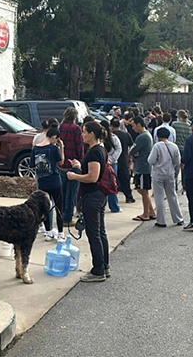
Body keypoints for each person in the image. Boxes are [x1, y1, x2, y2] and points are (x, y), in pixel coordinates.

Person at [67, 121, 109, 282]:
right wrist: (80, 166)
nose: (82, 135)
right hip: (99, 195)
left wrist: (74, 176)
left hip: (93, 196)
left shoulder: (94, 152)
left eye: (84, 132)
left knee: (94, 234)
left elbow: (93, 177)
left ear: (92, 134)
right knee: (101, 232)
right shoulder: (99, 150)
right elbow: (91, 171)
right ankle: (104, 266)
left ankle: (98, 269)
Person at [31, 127, 65, 242]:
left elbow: (31, 165)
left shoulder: (35, 149)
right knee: (59, 207)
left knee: (45, 208)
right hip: (54, 181)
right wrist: (62, 148)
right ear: (54, 137)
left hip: (42, 182)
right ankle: (61, 233)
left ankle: (48, 232)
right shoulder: (54, 148)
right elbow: (61, 163)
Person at [148, 127, 184, 227]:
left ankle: (161, 220)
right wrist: (176, 173)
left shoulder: (157, 146)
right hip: (170, 173)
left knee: (159, 197)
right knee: (172, 196)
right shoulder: (174, 146)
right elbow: (177, 162)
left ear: (157, 136)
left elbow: (151, 160)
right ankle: (178, 218)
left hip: (158, 174)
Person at [59, 107, 84, 228]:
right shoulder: (76, 129)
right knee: (72, 193)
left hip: (62, 163)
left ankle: (61, 216)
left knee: (63, 193)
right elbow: (79, 146)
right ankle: (68, 218)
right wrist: (81, 160)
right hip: (73, 163)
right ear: (74, 117)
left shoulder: (59, 127)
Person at [129, 117, 156, 222]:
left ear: (139, 124)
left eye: (133, 125)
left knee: (143, 190)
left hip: (143, 167)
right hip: (144, 166)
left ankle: (146, 213)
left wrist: (134, 153)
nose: (133, 128)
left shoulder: (142, 137)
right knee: (142, 189)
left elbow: (132, 150)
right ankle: (151, 211)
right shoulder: (147, 135)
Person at [111, 118, 135, 203]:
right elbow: (132, 145)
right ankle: (129, 196)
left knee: (113, 179)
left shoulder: (111, 136)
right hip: (124, 158)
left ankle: (113, 199)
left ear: (111, 126)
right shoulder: (126, 134)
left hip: (113, 160)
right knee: (125, 178)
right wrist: (130, 155)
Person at [101, 120, 122, 212]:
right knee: (110, 184)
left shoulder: (113, 138)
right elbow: (119, 149)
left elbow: (118, 149)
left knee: (111, 184)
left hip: (111, 163)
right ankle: (112, 206)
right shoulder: (100, 138)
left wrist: (111, 159)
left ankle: (113, 206)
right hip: (106, 163)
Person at [172, 110, 192, 193]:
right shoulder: (189, 126)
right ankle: (185, 185)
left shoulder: (174, 124)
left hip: (176, 148)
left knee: (175, 168)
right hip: (185, 148)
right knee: (184, 168)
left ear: (179, 117)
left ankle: (175, 186)